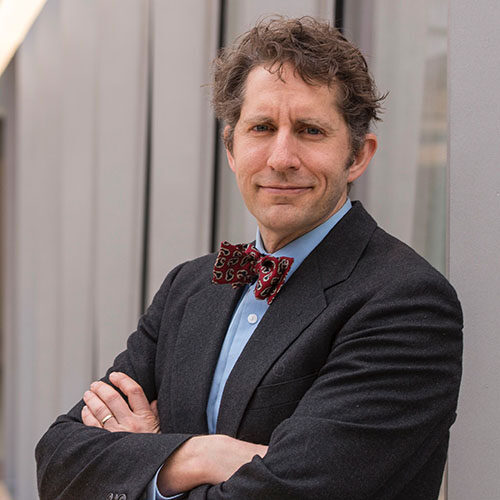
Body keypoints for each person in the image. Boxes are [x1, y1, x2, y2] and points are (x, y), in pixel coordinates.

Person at [35, 16, 462, 500]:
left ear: (358, 156)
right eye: (261, 127)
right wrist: (201, 455)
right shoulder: (190, 287)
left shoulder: (407, 302)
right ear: (232, 149)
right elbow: (59, 459)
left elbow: (293, 494)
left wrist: (150, 458)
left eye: (310, 130)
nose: (281, 157)